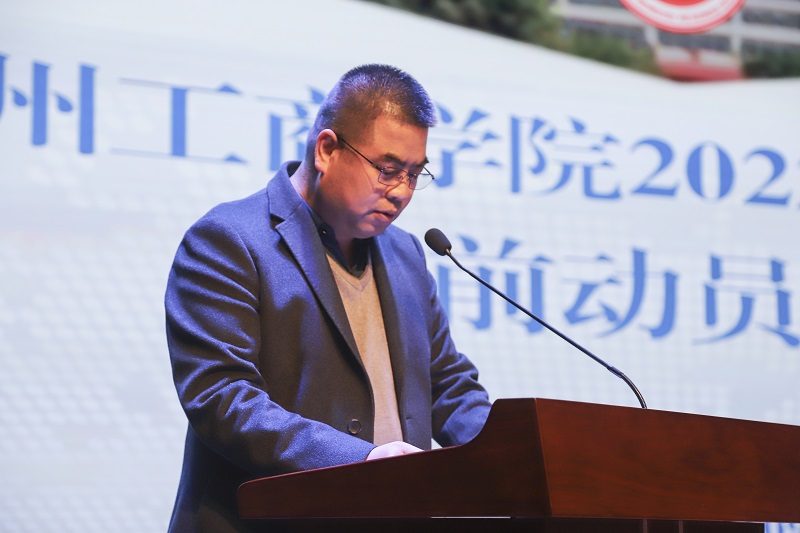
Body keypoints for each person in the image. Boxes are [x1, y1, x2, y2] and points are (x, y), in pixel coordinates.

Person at [165, 64, 492, 532]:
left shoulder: (405, 254)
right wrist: (361, 460)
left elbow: (447, 386)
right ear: (327, 149)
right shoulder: (229, 240)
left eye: (415, 173)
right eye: (388, 170)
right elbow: (221, 399)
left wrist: (520, 452)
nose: (402, 192)